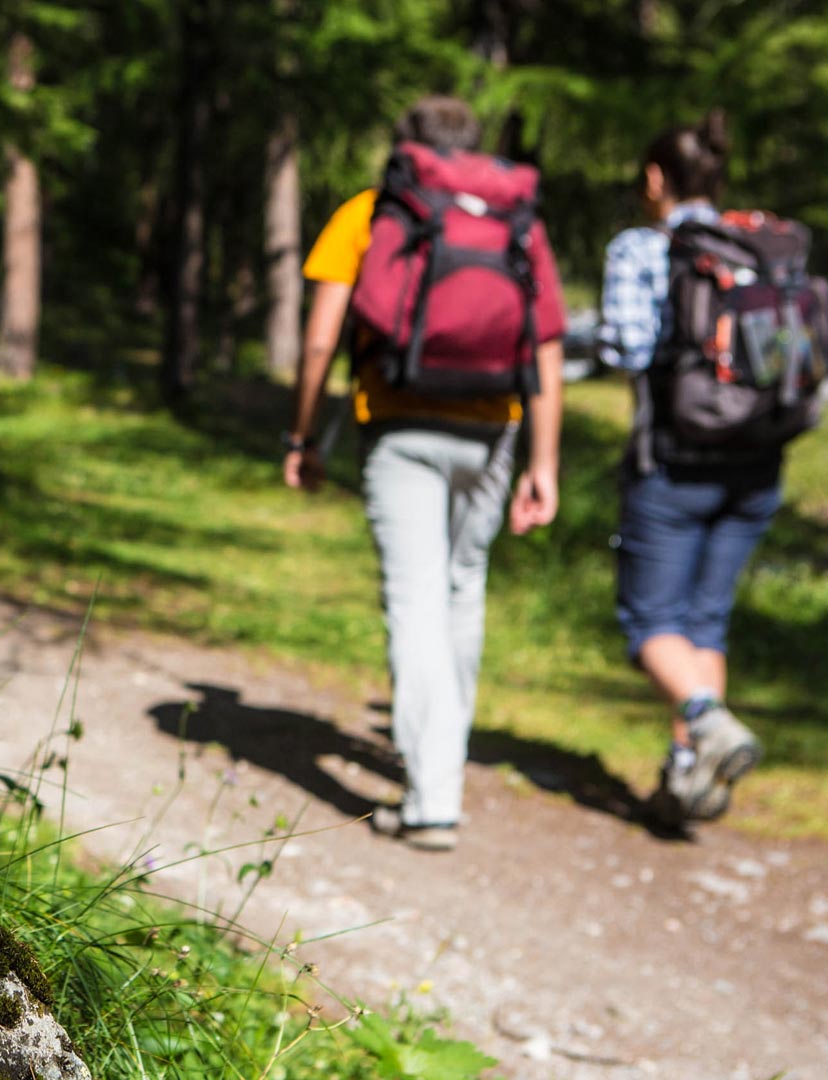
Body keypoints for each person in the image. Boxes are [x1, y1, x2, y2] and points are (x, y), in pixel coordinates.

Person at [284, 97, 567, 852]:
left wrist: (302, 434)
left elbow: (319, 342)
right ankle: (444, 767)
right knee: (460, 590)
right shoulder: (517, 221)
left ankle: (433, 793)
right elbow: (545, 345)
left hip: (400, 422)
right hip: (494, 428)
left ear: (406, 149)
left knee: (415, 602)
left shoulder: (371, 213)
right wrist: (544, 461)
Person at [598, 110, 773, 828]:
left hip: (672, 462)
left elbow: (625, 349)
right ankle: (687, 782)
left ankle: (705, 722)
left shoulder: (641, 248)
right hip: (758, 464)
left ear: (654, 177)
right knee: (705, 624)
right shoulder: (760, 247)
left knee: (648, 623)